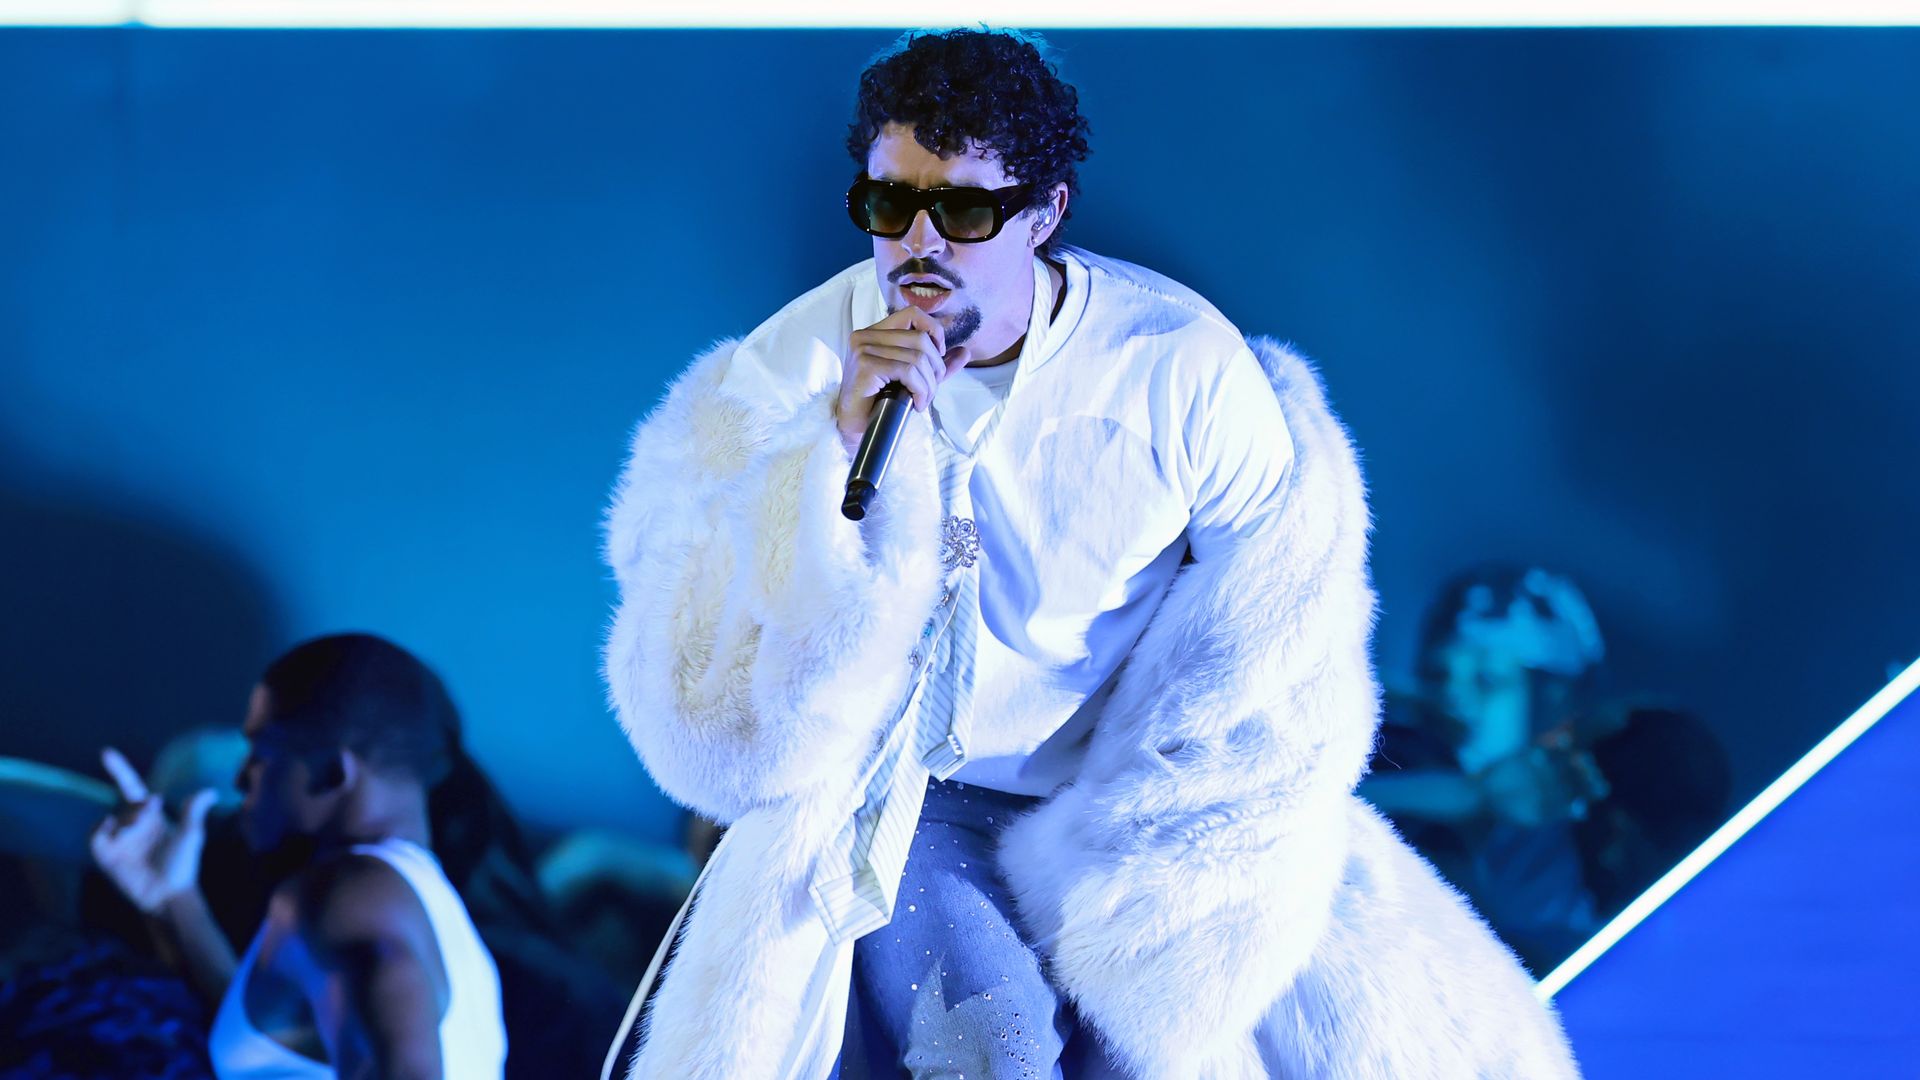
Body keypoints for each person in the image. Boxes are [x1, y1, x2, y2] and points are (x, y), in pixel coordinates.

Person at [602, 27, 1578, 1079]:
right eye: (889, 205)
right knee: (990, 1050)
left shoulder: (1180, 373)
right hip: (911, 795)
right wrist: (829, 459)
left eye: (966, 210)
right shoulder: (794, 369)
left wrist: (1199, 851)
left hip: (1129, 809)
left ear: (1045, 214)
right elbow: (710, 724)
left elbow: (1281, 657)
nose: (919, 245)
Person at [89, 633, 507, 1079]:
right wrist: (172, 900)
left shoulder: (348, 895)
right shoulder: (414, 900)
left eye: (260, 753)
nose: (241, 778)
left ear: (332, 773)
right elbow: (287, 1049)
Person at [1361, 565, 1613, 971]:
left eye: (1489, 680)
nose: (1453, 699)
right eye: (1438, 676)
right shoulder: (1381, 764)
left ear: (1554, 704)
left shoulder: (1587, 852)